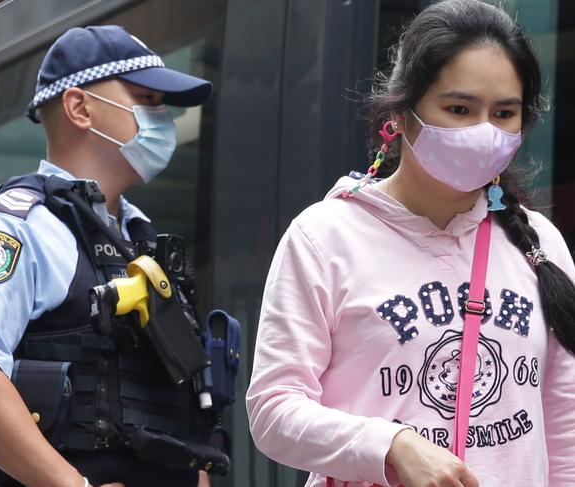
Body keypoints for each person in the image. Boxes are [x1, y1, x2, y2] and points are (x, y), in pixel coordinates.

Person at [246, 1, 575, 486]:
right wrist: (389, 445)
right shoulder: (324, 238)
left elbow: (563, 418)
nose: (484, 131)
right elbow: (273, 411)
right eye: (458, 108)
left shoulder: (539, 242)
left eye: (504, 113)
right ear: (401, 113)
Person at [0, 25, 218, 487]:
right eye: (148, 99)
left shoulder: (144, 240)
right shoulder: (15, 227)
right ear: (80, 108)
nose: (162, 118)